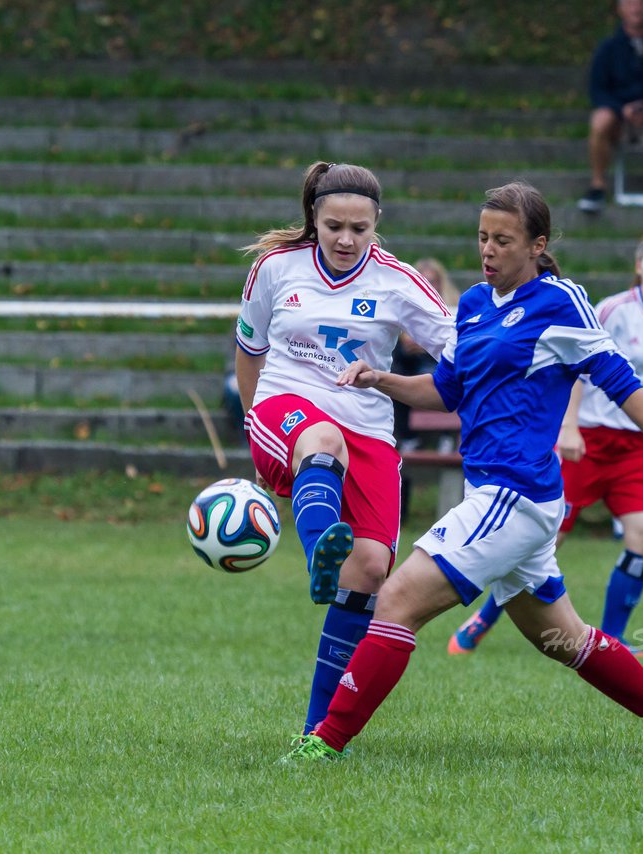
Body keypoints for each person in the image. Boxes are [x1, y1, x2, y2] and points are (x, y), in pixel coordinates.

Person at [283, 182, 643, 762]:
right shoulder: (472, 304)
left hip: (513, 495)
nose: (487, 251)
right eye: (482, 238)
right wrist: (379, 378)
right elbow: (446, 391)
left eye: (503, 241)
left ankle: (324, 742)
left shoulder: (559, 300)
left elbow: (620, 382)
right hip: (502, 499)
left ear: (537, 245)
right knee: (563, 638)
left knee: (395, 602)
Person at [234, 162, 455, 734]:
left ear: (377, 223)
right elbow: (249, 349)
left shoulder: (398, 280)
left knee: (372, 569)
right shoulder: (275, 268)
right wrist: (256, 425)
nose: (345, 239)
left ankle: (318, 733)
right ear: (314, 217)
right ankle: (317, 553)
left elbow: (457, 348)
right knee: (322, 439)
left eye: (359, 227)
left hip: (370, 427)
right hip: (287, 409)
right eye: (333, 226)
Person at [447, 229, 643, 656]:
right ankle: (483, 618)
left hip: (632, 448)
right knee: (544, 541)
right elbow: (575, 367)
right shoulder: (612, 309)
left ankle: (613, 639)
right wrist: (570, 426)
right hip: (589, 441)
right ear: (639, 266)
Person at [579, 0, 643, 214]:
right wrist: (622, 109)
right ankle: (597, 186)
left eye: (642, 2)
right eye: (630, 2)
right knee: (599, 119)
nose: (636, 7)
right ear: (619, 8)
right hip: (619, 121)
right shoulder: (607, 49)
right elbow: (598, 91)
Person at [393, 258, 463, 522]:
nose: (427, 285)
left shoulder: (455, 309)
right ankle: (406, 435)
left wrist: (428, 346)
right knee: (397, 367)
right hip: (410, 371)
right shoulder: (402, 308)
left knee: (436, 370)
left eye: (432, 280)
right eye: (421, 279)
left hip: (439, 372)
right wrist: (407, 344)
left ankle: (446, 434)